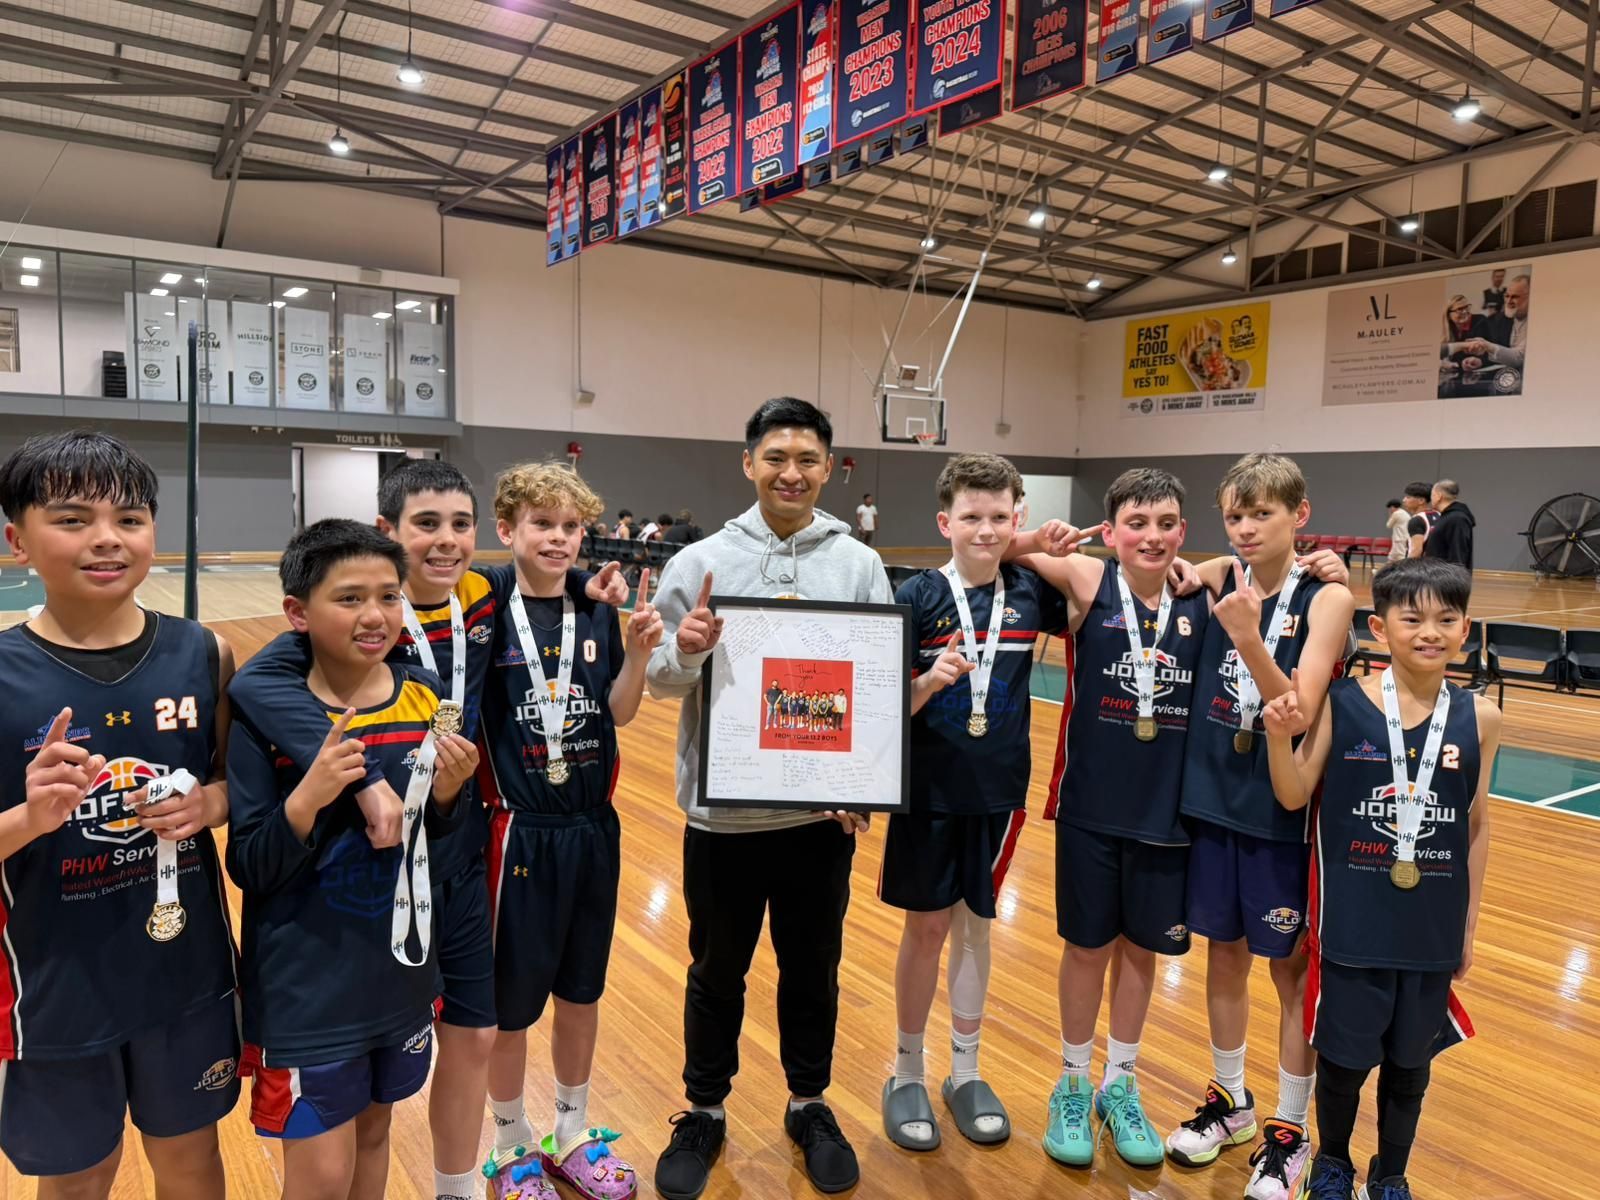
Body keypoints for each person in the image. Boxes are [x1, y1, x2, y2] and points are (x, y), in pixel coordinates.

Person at [227, 460, 624, 1200]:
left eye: (460, 525)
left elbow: (548, 565)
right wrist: (364, 779)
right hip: (373, 865)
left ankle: (458, 1185)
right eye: (425, 526)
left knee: (475, 1032)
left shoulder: (484, 593)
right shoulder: (364, 617)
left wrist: (588, 588)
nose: (445, 543)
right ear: (390, 534)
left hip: (455, 844)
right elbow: (255, 684)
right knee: (359, 1109)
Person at [647, 397, 889, 1200]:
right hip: (722, 817)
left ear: (830, 468)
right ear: (747, 463)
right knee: (716, 969)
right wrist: (684, 653)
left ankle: (809, 1101)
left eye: (808, 460)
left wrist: (860, 783)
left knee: (812, 968)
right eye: (776, 457)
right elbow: (656, 684)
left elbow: (873, 683)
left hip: (819, 819)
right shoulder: (700, 561)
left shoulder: (857, 564)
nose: (792, 473)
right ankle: (705, 1110)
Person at [0, 430, 240, 1198]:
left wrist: (211, 802)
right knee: (79, 1175)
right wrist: (29, 819)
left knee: (192, 1160)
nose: (107, 538)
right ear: (17, 542)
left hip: (185, 972)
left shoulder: (205, 653)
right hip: (57, 987)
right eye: (72, 519)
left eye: (130, 518)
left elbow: (237, 786)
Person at [227, 519, 479, 1200]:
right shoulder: (265, 714)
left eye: (389, 596)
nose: (375, 616)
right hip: (308, 995)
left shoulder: (424, 692)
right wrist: (308, 798)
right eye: (348, 598)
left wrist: (451, 797)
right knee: (321, 1175)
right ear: (296, 613)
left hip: (399, 978)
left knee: (374, 1139)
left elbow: (443, 852)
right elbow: (251, 865)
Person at [1262, 558, 1498, 1200]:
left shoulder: (1481, 719)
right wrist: (1279, 740)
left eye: (1447, 619)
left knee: (1411, 1067)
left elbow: (1475, 826)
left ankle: (1389, 1174)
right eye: (1412, 617)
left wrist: (1469, 925)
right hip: (1353, 923)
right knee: (1343, 1060)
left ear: (1466, 629)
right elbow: (1292, 795)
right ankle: (1333, 1162)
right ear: (1378, 625)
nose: (1430, 631)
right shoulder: (1344, 702)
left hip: (1430, 930)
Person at [1007, 468, 1210, 1169]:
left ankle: (1120, 1083)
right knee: (1087, 947)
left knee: (1140, 951)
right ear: (1111, 530)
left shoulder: (1205, 596)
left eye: (1165, 524)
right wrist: (1041, 536)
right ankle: (1072, 1078)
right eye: (1136, 523)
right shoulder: (1090, 584)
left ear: (1183, 531)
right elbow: (997, 546)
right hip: (1090, 804)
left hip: (1169, 813)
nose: (1151, 536)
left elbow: (1272, 569)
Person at [1166, 453, 1355, 1200]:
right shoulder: (1220, 575)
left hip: (1284, 809)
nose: (1246, 529)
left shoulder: (1327, 598)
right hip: (1213, 798)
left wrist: (1247, 636)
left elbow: (1299, 711)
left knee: (1290, 970)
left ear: (1299, 515)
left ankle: (1289, 1130)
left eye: (1262, 515)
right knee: (1224, 955)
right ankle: (1232, 1100)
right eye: (1236, 516)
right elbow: (1181, 563)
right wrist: (1216, 571)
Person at [479, 463, 662, 1199]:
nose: (557, 539)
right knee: (511, 1004)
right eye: (541, 524)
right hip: (520, 834)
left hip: (593, 829)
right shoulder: (486, 604)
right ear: (508, 531)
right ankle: (510, 1140)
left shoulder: (596, 612)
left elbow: (619, 713)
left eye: (570, 527)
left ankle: (573, 1129)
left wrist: (641, 653)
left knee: (581, 993)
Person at [877, 454, 1069, 1154]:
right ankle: (905, 1072)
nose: (985, 530)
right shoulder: (919, 595)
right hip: (927, 793)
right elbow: (880, 708)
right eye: (971, 517)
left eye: (999, 518)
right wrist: (929, 679)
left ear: (1014, 519)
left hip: (998, 796)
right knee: (926, 929)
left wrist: (1043, 546)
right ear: (944, 522)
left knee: (976, 928)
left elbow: (1102, 589)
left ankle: (965, 1071)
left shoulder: (1031, 592)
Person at [1461, 273, 1528, 371]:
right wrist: (1480, 361)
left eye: (1515, 297)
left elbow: (1518, 358)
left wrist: (1487, 345)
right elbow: (1501, 352)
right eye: (1507, 296)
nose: (1509, 301)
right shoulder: (1502, 319)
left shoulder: (1538, 321)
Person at [1422, 480, 1475, 572]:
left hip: (1447, 581)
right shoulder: (1447, 517)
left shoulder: (1457, 519)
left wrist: (1453, 583)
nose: (1431, 499)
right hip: (1437, 577)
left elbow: (1458, 555)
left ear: (1439, 496)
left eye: (1432, 495)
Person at [1402, 482, 1438, 559]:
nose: (1404, 500)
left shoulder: (1417, 520)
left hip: (1420, 568)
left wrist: (1406, 569)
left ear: (1421, 500)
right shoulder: (1439, 515)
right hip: (1438, 565)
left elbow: (1416, 552)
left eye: (1408, 497)